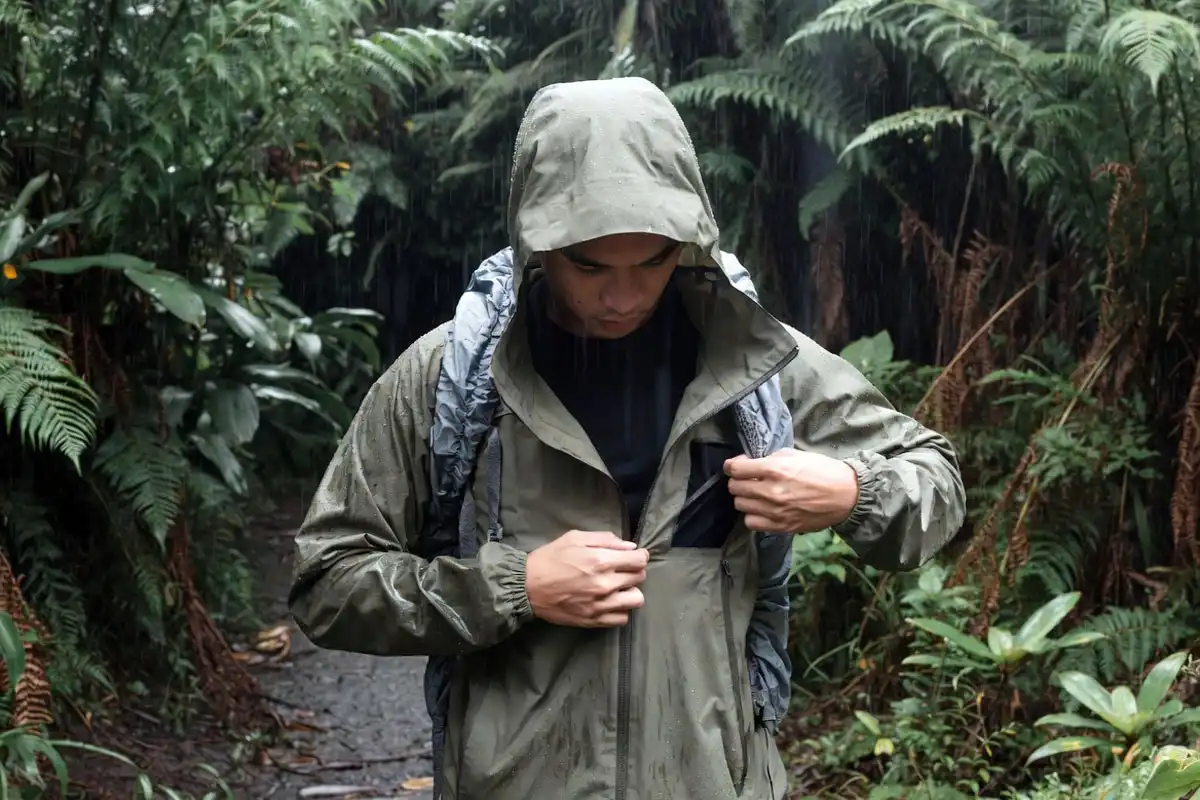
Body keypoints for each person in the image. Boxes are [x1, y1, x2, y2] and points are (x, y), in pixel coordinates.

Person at [288, 76, 966, 800]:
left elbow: (938, 485)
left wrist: (853, 493)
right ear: (536, 241)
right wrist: (513, 587)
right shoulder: (447, 378)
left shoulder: (753, 365)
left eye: (653, 260)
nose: (624, 296)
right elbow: (326, 581)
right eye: (589, 265)